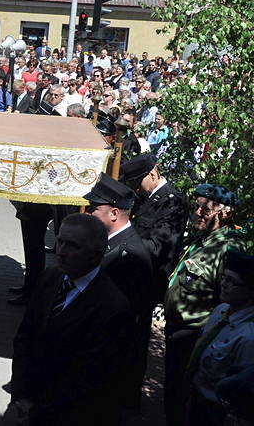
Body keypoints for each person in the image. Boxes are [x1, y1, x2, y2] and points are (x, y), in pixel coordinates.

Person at [9, 214, 134, 426]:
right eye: (60, 241)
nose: (61, 251)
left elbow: (91, 379)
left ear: (96, 254)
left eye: (73, 246)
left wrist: (38, 414)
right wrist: (20, 395)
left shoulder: (113, 308)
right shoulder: (49, 278)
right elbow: (24, 338)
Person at [163, 183, 245, 426]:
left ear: (226, 214)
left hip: (195, 338)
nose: (198, 213)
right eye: (197, 206)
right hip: (177, 331)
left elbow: (227, 300)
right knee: (172, 396)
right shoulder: (201, 239)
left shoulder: (228, 248)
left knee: (184, 403)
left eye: (206, 209)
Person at [84, 173, 154, 408]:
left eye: (94, 208)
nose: (88, 213)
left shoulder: (130, 256)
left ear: (114, 213)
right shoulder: (112, 244)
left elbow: (122, 319)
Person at [186, 251, 254, 426]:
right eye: (224, 277)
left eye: (232, 281)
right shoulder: (221, 310)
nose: (224, 284)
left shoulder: (253, 339)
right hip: (196, 399)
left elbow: (245, 393)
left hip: (216, 415)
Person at [119, 153, 188, 300]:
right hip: (132, 273)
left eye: (137, 182)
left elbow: (159, 246)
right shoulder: (145, 197)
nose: (135, 188)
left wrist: (122, 242)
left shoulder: (172, 203)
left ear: (151, 175)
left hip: (149, 280)